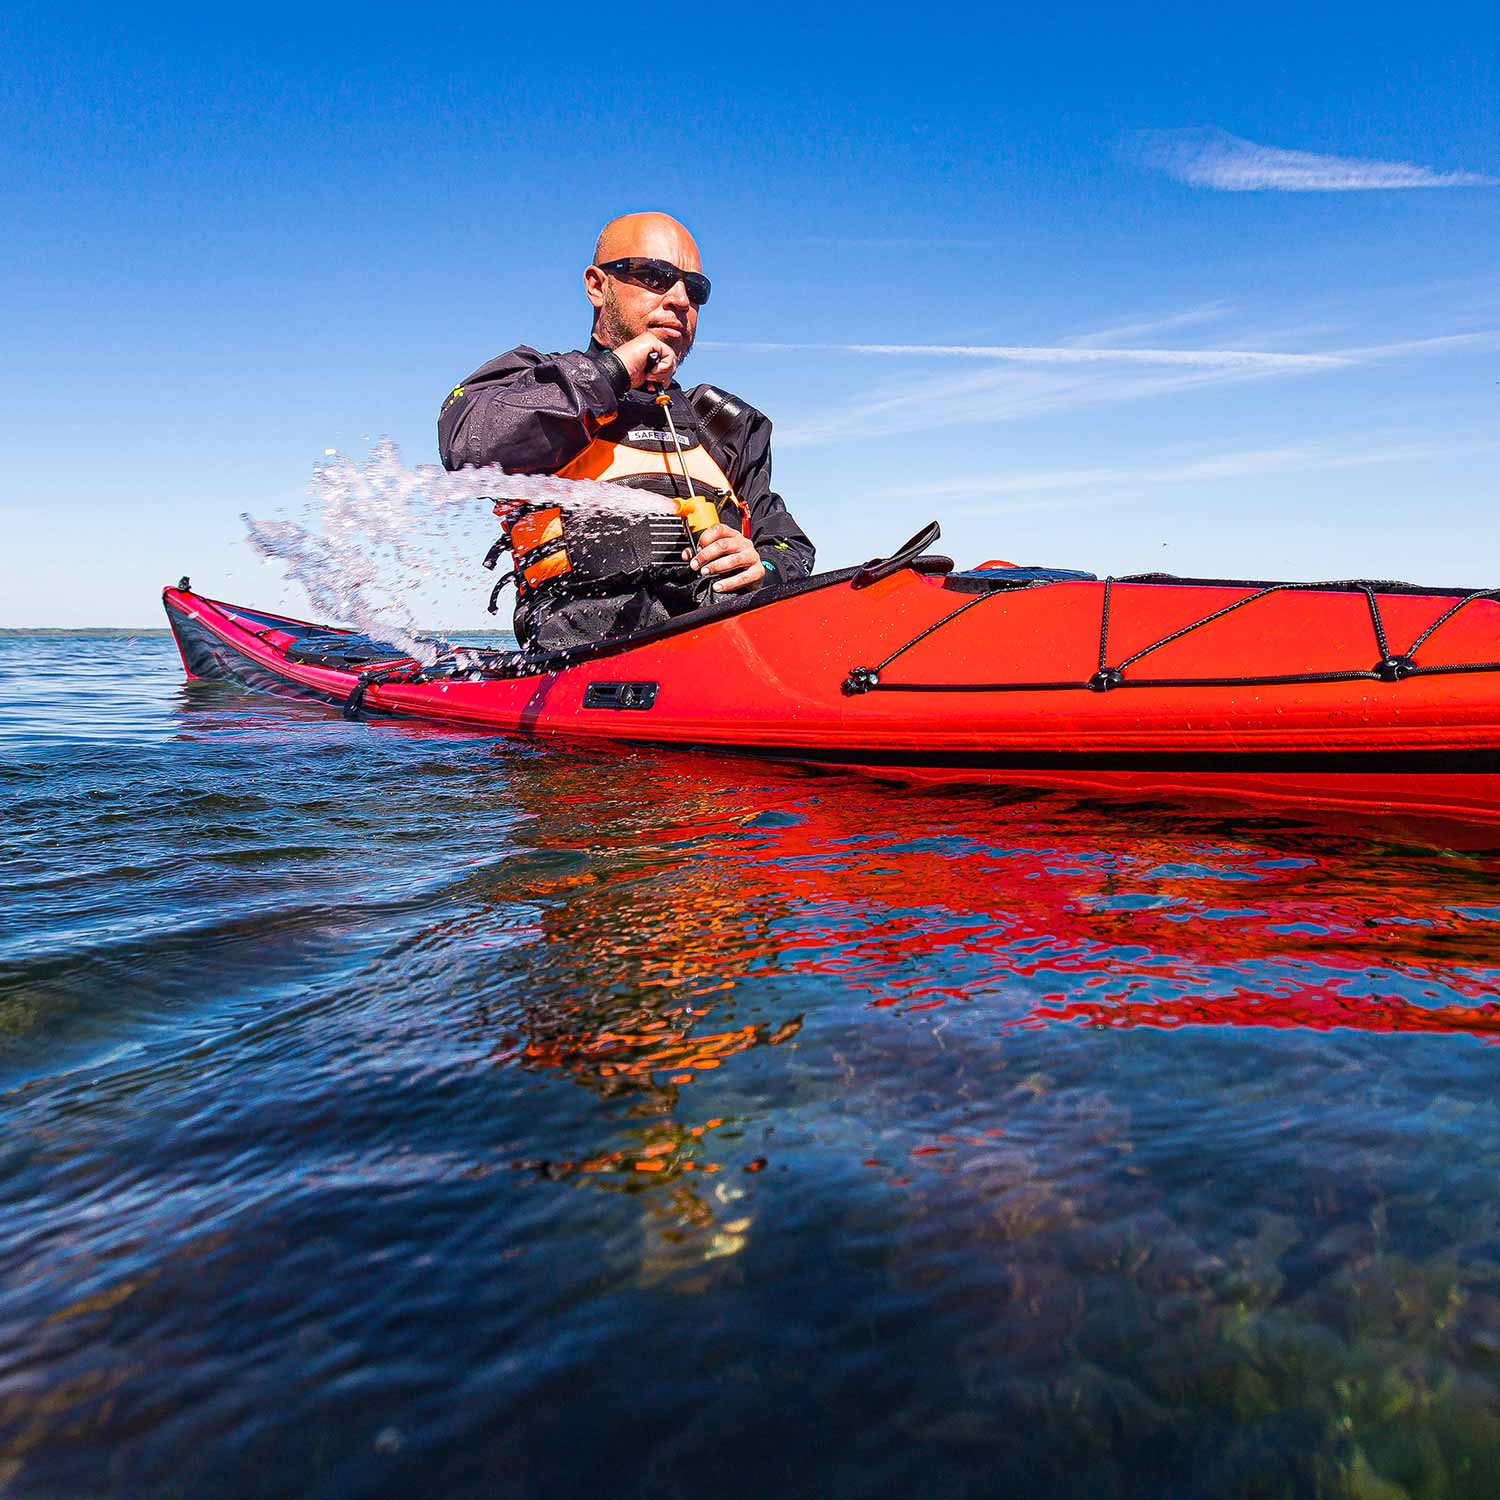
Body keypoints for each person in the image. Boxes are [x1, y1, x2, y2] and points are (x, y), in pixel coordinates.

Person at [438, 212, 815, 652]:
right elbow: (468, 445)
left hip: (719, 665)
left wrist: (763, 566)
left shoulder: (726, 426)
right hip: (576, 673)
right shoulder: (528, 381)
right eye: (655, 277)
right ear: (597, 286)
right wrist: (615, 370)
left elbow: (789, 545)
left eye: (695, 290)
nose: (679, 299)